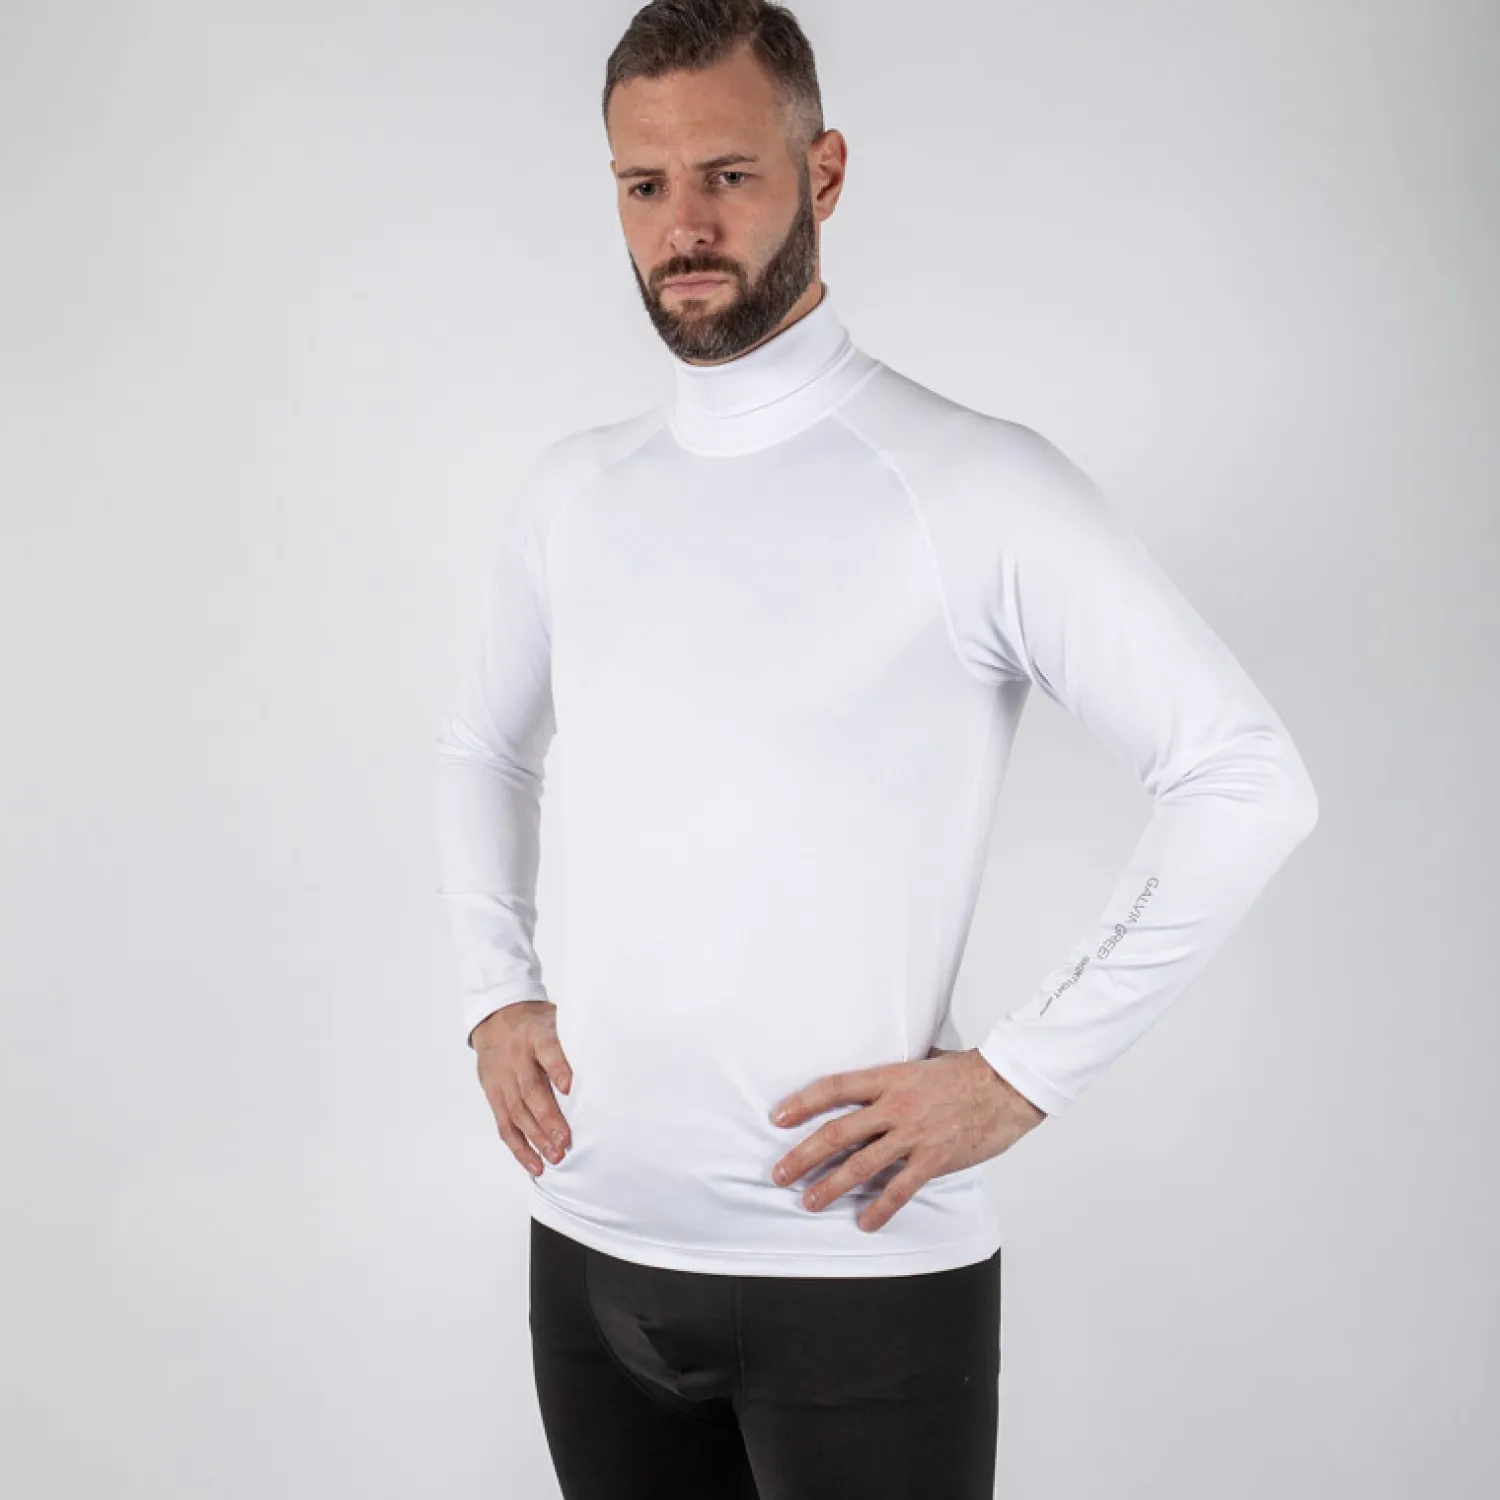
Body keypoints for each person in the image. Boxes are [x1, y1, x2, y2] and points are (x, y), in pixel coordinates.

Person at [430, 2, 1319, 1495]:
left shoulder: (972, 485)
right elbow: (482, 743)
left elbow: (1245, 780)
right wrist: (493, 990)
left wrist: (1020, 1075)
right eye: (645, 185)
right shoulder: (573, 493)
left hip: (857, 1277)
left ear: (823, 173)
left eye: (729, 174)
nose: (685, 226)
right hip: (589, 1247)